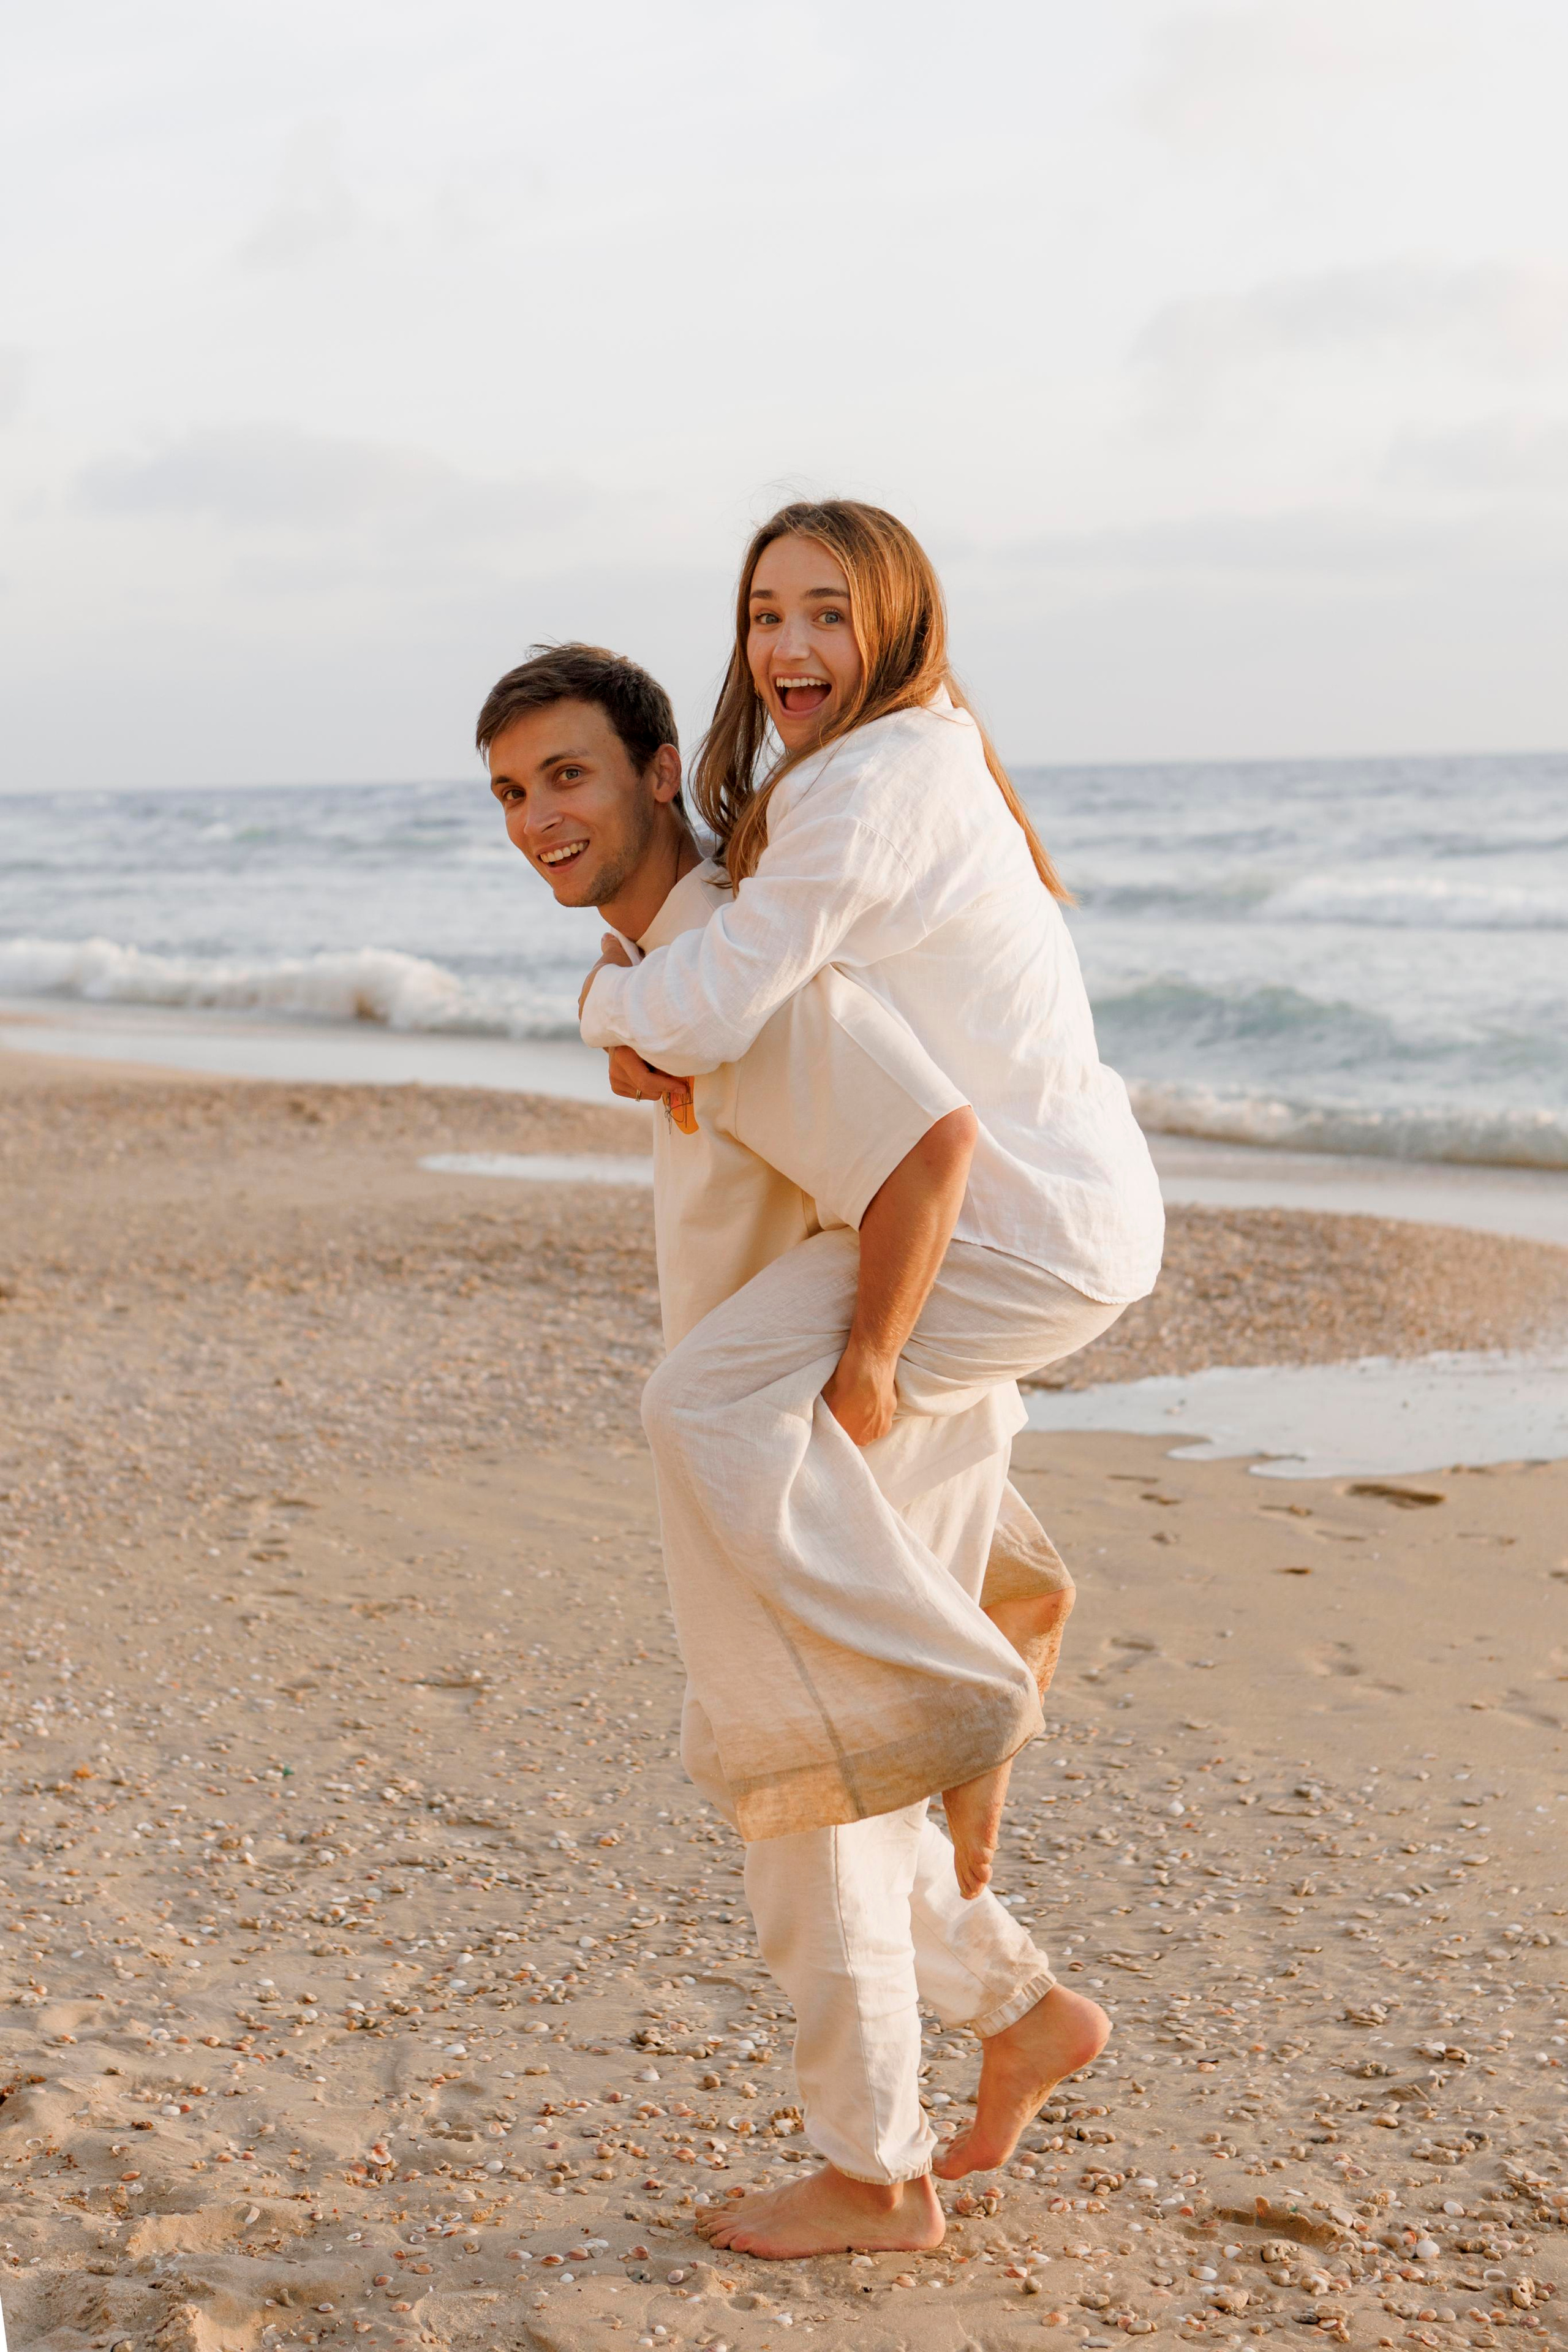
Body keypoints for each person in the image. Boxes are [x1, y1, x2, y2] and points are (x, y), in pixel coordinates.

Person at [574, 505, 1165, 2256]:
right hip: (993, 1266)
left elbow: (899, 1122)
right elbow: (733, 1014)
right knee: (823, 1761)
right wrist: (644, 1012)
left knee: (820, 1728)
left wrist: (618, 1022)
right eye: (765, 610)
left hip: (992, 1250)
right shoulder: (827, 827)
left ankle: (871, 2161)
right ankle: (1012, 2002)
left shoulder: (843, 812)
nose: (789, 641)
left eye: (828, 609)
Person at [480, 645, 1087, 2247]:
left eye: (569, 776)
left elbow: (929, 1146)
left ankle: (872, 2175)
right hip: (813, 1416)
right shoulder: (684, 978)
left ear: (662, 769)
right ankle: (1016, 2015)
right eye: (511, 792)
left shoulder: (738, 976)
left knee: (803, 1799)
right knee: (825, 1793)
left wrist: (876, 1381)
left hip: (828, 1423)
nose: (538, 817)